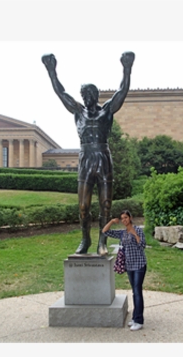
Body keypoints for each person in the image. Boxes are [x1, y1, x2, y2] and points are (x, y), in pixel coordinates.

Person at [43, 51, 134, 255]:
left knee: (106, 204)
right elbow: (61, 93)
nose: (85, 98)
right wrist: (51, 71)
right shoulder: (78, 112)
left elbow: (122, 91)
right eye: (83, 95)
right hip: (85, 159)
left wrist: (127, 69)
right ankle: (85, 239)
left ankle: (102, 242)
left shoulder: (107, 110)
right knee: (83, 206)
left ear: (95, 95)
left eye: (88, 94)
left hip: (103, 157)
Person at [103, 210, 147, 331]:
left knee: (137, 292)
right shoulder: (122, 233)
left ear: (130, 218)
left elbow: (143, 245)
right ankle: (135, 317)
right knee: (134, 292)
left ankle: (139, 321)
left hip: (139, 265)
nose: (124, 220)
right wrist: (112, 221)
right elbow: (105, 231)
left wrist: (135, 234)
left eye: (126, 217)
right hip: (129, 266)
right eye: (122, 218)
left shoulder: (137, 229)